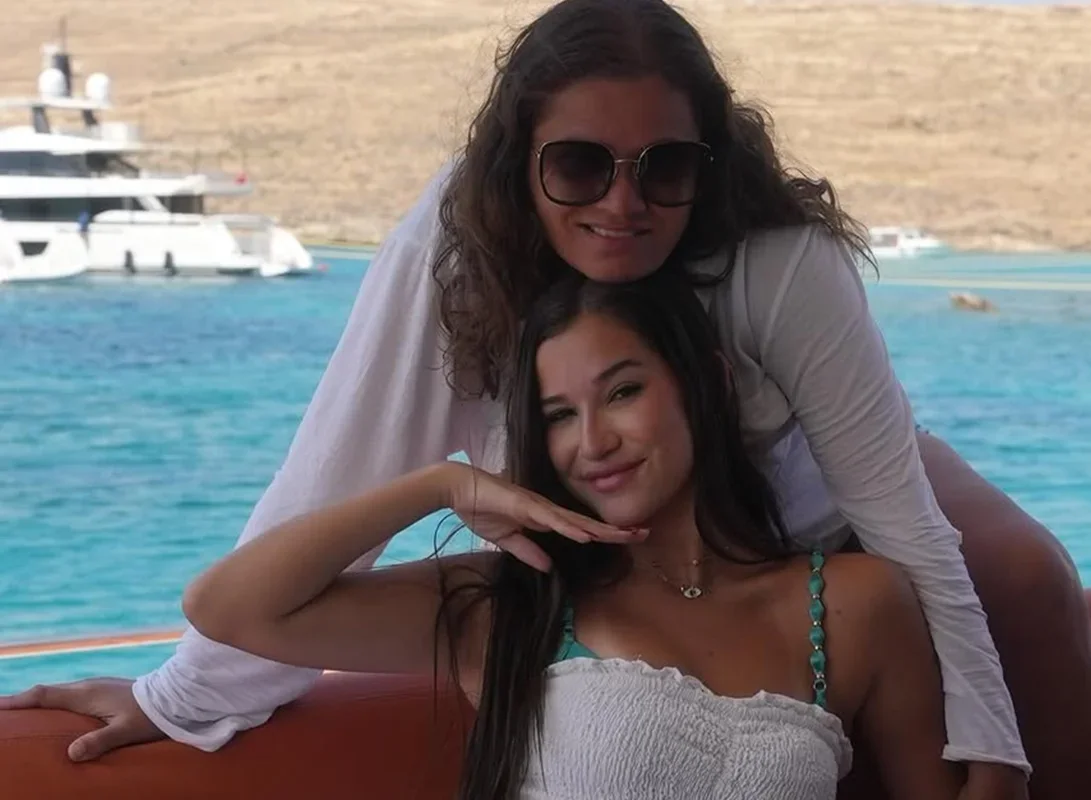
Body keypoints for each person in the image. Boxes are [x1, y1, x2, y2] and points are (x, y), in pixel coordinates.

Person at [0, 1, 1091, 798]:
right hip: (624, 521)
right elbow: (337, 465)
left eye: (664, 166)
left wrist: (992, 739)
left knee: (1023, 578)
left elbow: (899, 515)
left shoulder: (780, 259)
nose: (624, 202)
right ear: (518, 159)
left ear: (707, 160)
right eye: (580, 164)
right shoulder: (457, 247)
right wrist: (188, 695)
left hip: (813, 472)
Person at [182, 270, 964, 800]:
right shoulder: (513, 602)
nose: (593, 441)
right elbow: (229, 608)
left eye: (622, 392)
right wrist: (438, 485)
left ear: (709, 385)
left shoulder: (855, 604)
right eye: (558, 415)